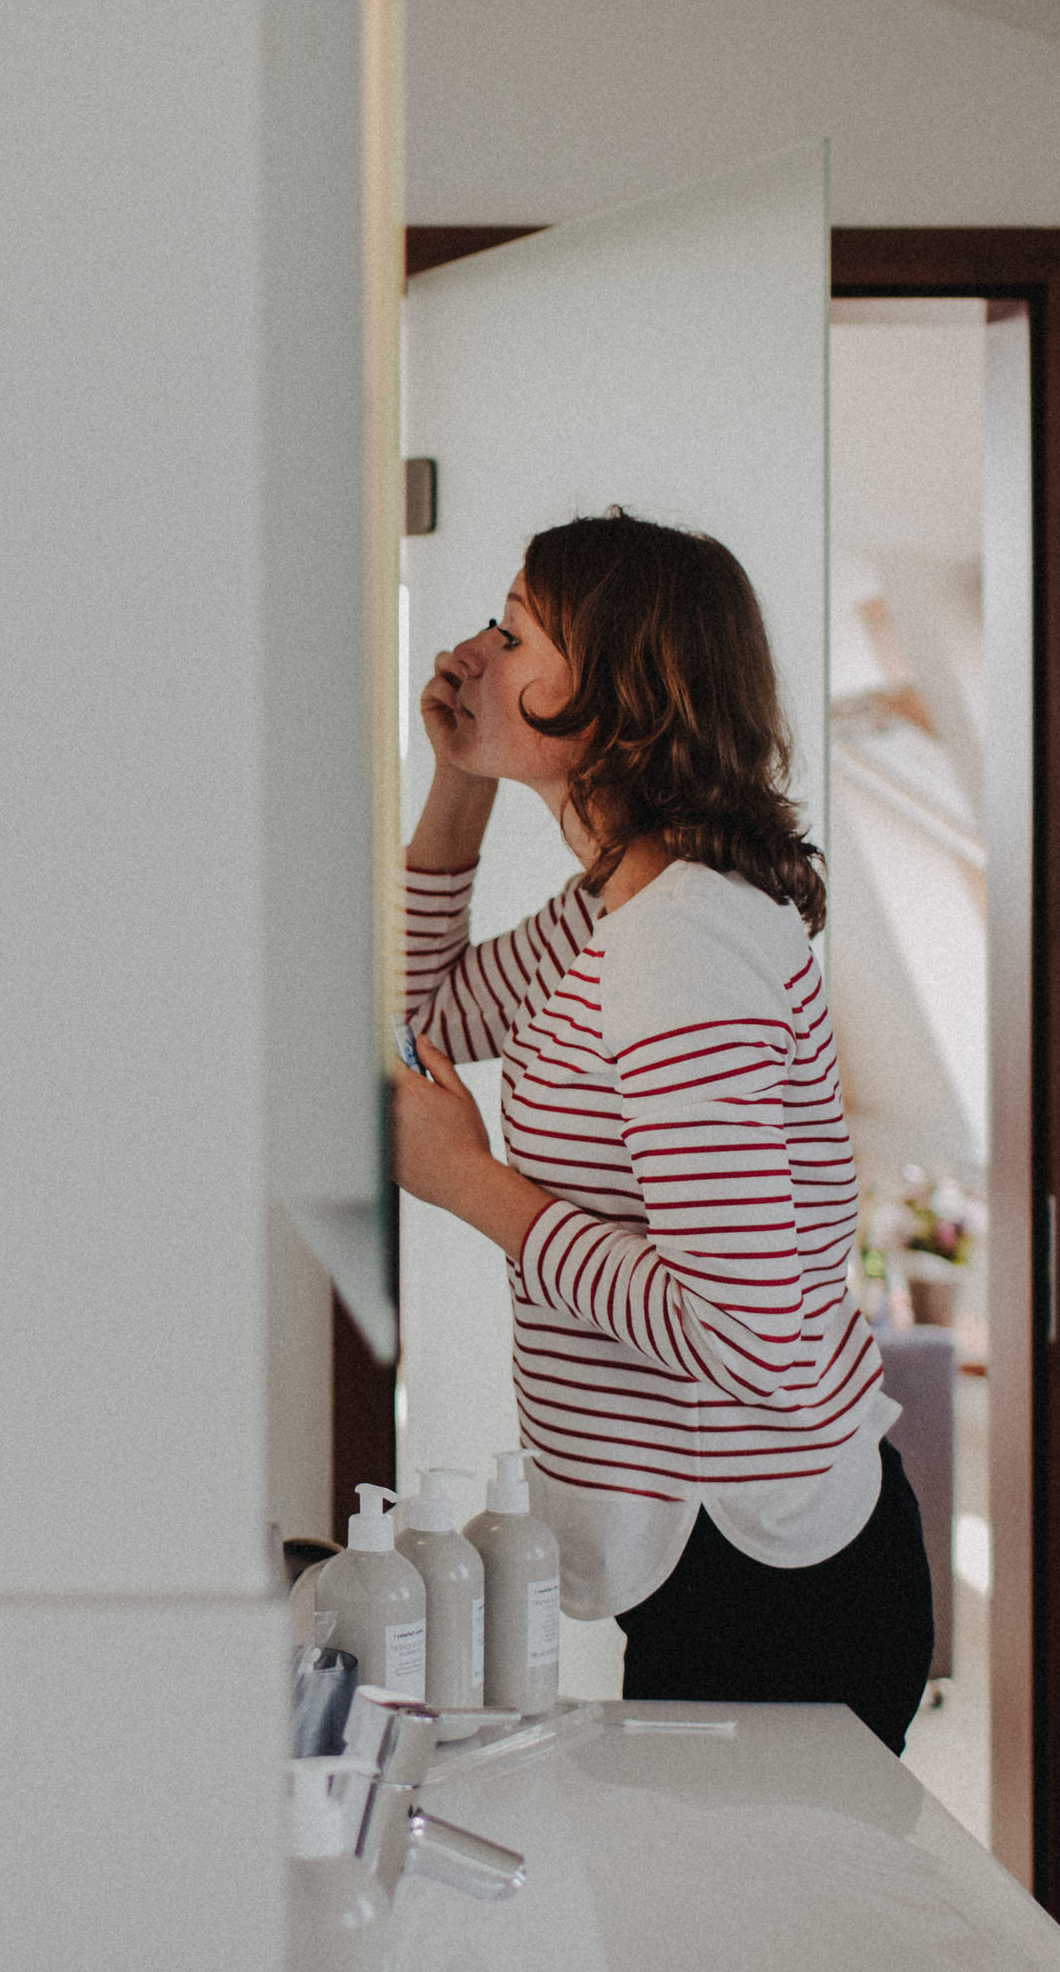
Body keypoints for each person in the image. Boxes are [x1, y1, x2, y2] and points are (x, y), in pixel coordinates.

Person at [390, 509, 933, 1753]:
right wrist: (460, 780)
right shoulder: (615, 907)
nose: (473, 648)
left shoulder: (677, 945)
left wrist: (478, 1186)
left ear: (614, 695)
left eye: (514, 629)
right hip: (721, 1558)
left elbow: (746, 1335)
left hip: (774, 1581)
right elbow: (416, 1013)